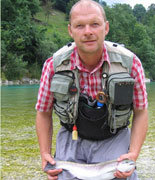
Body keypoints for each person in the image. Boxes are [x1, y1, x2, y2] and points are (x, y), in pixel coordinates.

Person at [35, 0, 148, 179]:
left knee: (125, 174)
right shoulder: (53, 65)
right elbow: (43, 112)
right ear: (70, 30)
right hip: (71, 136)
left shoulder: (131, 64)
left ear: (106, 27)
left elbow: (141, 112)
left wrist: (133, 153)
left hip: (114, 137)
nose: (88, 32)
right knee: (59, 175)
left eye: (95, 24)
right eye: (80, 26)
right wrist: (45, 153)